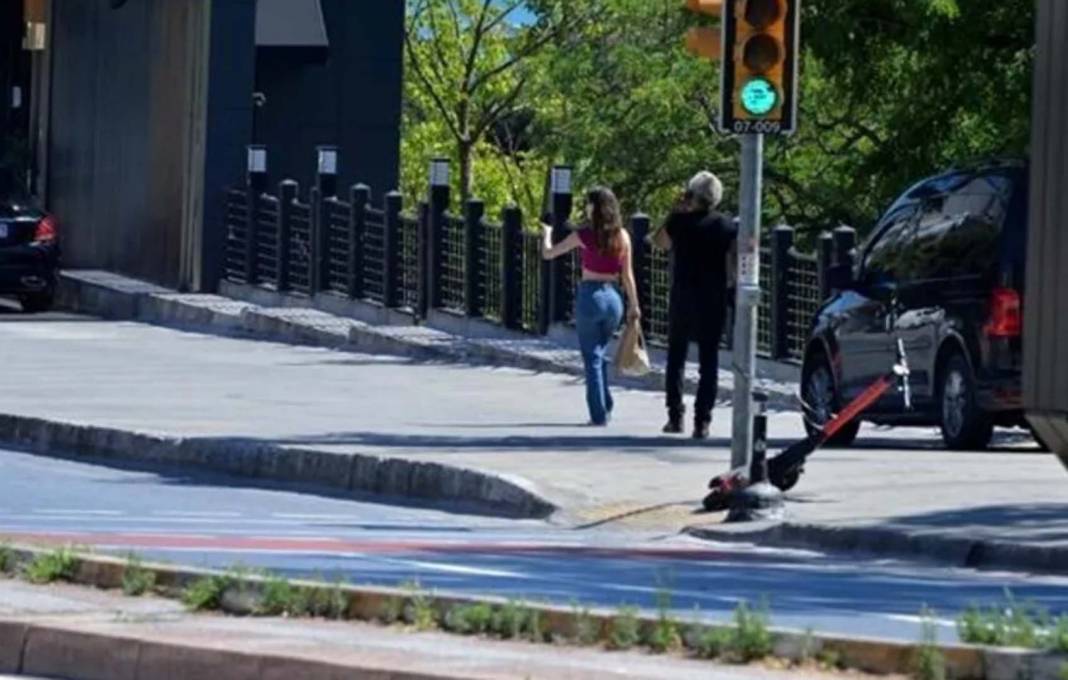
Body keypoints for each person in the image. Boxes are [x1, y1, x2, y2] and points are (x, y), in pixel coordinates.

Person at [542, 187, 641, 426]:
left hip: (590, 295)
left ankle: (598, 414)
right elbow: (627, 275)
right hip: (614, 299)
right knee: (600, 351)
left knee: (591, 357)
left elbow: (549, 254)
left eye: (588, 203)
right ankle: (606, 401)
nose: (586, 207)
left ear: (595, 207)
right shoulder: (623, 236)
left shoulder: (584, 235)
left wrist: (546, 233)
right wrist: (634, 306)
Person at [651, 171, 737, 439]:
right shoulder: (726, 225)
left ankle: (675, 416)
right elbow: (734, 262)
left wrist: (674, 212)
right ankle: (703, 421)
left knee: (676, 358)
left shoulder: (679, 222)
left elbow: (659, 242)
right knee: (708, 361)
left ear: (691, 195)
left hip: (683, 297)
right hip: (713, 298)